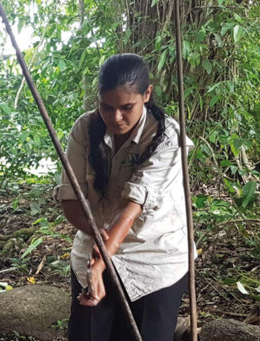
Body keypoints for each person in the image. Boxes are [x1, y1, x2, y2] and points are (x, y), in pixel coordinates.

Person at [57, 54, 194, 341]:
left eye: (126, 107)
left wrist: (102, 259)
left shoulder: (168, 137)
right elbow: (71, 200)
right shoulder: (85, 129)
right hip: (95, 245)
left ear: (147, 94)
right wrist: (96, 239)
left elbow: (134, 207)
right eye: (107, 107)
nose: (116, 117)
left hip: (154, 256)